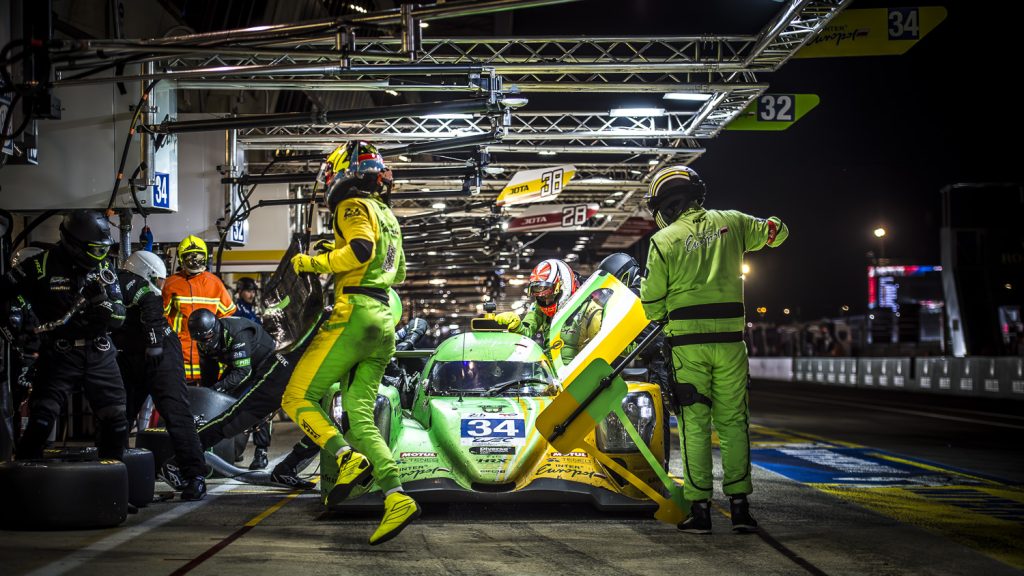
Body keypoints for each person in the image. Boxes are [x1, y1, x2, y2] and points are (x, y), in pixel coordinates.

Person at [282, 140, 419, 545]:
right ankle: (396, 496)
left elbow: (360, 249)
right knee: (359, 418)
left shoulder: (351, 206)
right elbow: (396, 273)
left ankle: (344, 457)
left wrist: (314, 262)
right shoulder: (387, 215)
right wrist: (338, 253)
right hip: (384, 320)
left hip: (355, 314)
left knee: (296, 398)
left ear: (342, 173)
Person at [639, 165, 788, 534]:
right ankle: (740, 508)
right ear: (695, 194)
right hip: (731, 345)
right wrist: (772, 227)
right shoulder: (733, 222)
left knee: (694, 424)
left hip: (688, 348)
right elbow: (776, 232)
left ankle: (701, 510)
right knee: (735, 422)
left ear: (663, 205)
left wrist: (666, 317)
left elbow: (652, 301)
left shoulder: (664, 241)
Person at [0, 211, 128, 461]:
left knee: (116, 420)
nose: (101, 256)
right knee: (41, 420)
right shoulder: (40, 265)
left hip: (99, 352)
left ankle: (113, 486)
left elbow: (119, 319)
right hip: (59, 355)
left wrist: (103, 303)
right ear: (74, 243)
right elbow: (3, 290)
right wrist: (12, 327)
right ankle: (25, 486)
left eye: (104, 250)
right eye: (95, 249)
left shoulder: (104, 267)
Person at [114, 250, 207, 500]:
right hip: (142, 353)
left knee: (124, 416)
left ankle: (114, 476)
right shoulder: (126, 282)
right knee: (125, 416)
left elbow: (151, 309)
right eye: (157, 281)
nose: (159, 288)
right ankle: (194, 477)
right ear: (145, 273)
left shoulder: (120, 284)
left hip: (157, 353)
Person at [186, 309, 315, 488]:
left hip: (267, 360)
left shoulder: (236, 334)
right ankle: (231, 448)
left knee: (257, 403)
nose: (205, 344)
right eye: (200, 340)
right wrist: (210, 395)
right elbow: (210, 374)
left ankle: (261, 451)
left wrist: (218, 388)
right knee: (224, 402)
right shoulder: (203, 342)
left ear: (214, 330)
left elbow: (243, 373)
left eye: (207, 339)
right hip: (239, 363)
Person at [162, 235, 236, 381]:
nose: (194, 260)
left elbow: (227, 318)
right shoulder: (171, 284)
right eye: (189, 257)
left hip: (209, 357)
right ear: (181, 258)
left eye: (198, 256)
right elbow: (160, 317)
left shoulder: (215, 283)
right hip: (179, 356)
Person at [493, 258, 580, 340]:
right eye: (541, 297)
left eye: (548, 296)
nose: (546, 302)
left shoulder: (586, 307)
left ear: (562, 287)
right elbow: (527, 330)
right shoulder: (539, 307)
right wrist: (517, 326)